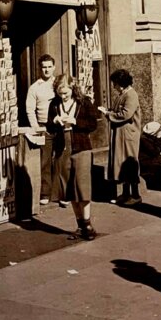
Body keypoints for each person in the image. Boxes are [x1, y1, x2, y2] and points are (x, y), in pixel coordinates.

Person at [47, 75, 101, 240]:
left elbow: (93, 124)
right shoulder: (54, 104)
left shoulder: (84, 102)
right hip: (62, 149)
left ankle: (88, 225)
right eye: (60, 93)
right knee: (69, 188)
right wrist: (55, 120)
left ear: (73, 89)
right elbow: (49, 126)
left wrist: (75, 122)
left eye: (65, 93)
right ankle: (80, 225)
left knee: (82, 187)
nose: (63, 96)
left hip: (81, 147)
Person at [100, 69, 142, 206]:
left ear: (121, 83)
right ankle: (125, 194)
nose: (113, 86)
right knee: (122, 164)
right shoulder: (123, 94)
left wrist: (108, 114)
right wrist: (109, 111)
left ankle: (135, 195)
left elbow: (125, 114)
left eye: (115, 83)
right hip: (120, 134)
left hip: (128, 135)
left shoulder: (131, 95)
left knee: (129, 163)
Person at [25, 54, 58, 206]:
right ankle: (45, 193)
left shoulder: (59, 84)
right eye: (44, 67)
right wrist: (36, 127)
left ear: (54, 67)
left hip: (60, 126)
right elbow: (30, 110)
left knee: (61, 160)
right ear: (40, 68)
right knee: (45, 161)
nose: (46, 70)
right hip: (43, 127)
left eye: (49, 67)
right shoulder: (34, 87)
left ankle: (60, 193)